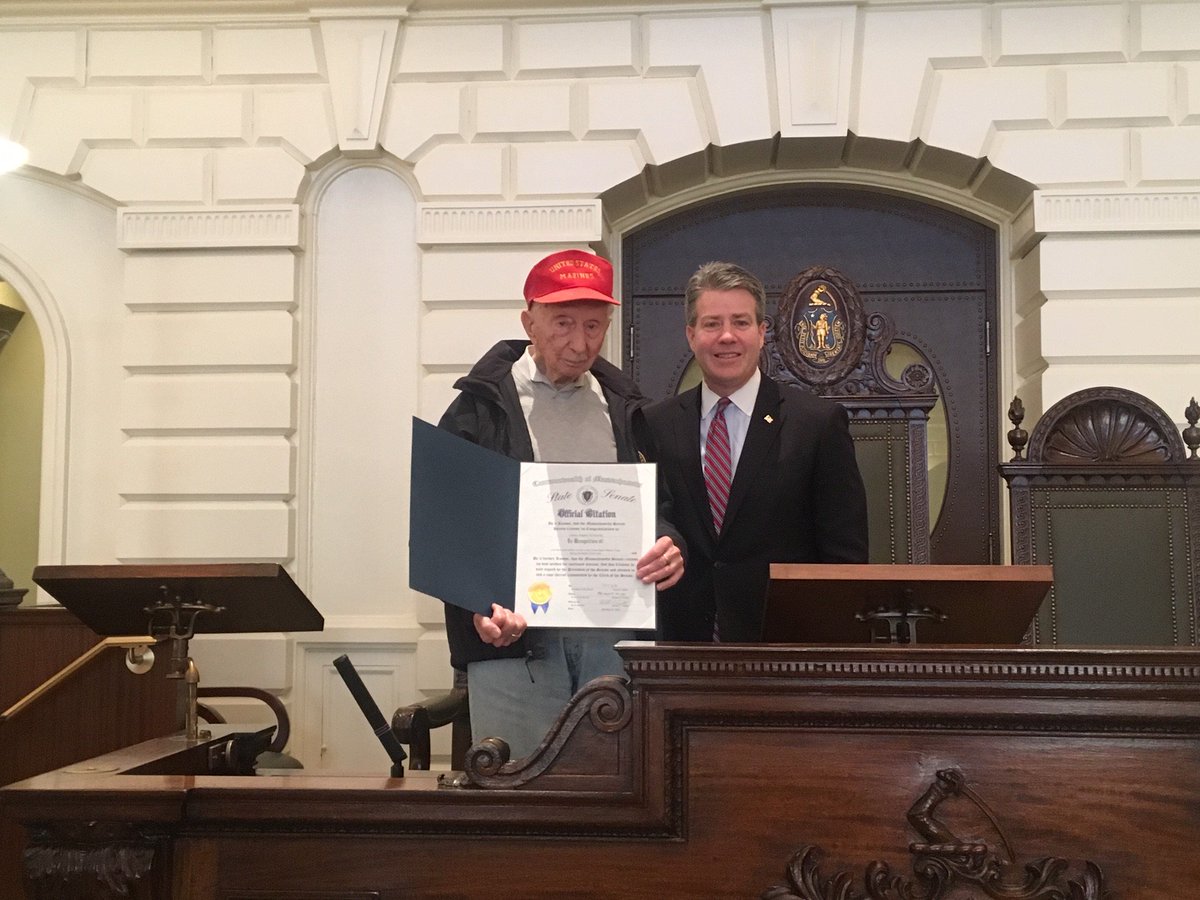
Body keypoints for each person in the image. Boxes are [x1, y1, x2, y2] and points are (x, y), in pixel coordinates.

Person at [438, 248, 685, 759]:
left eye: (594, 326)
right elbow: (450, 530)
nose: (579, 344)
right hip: (514, 647)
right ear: (529, 320)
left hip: (612, 639)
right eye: (563, 323)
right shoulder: (478, 409)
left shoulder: (626, 409)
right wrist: (479, 608)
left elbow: (663, 508)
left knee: (616, 792)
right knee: (516, 794)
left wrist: (669, 544)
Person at [644, 261, 868, 643]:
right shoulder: (655, 425)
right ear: (691, 334)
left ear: (763, 333)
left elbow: (845, 561)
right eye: (712, 323)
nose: (727, 336)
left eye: (741, 323)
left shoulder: (816, 424)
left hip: (785, 647)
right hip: (681, 649)